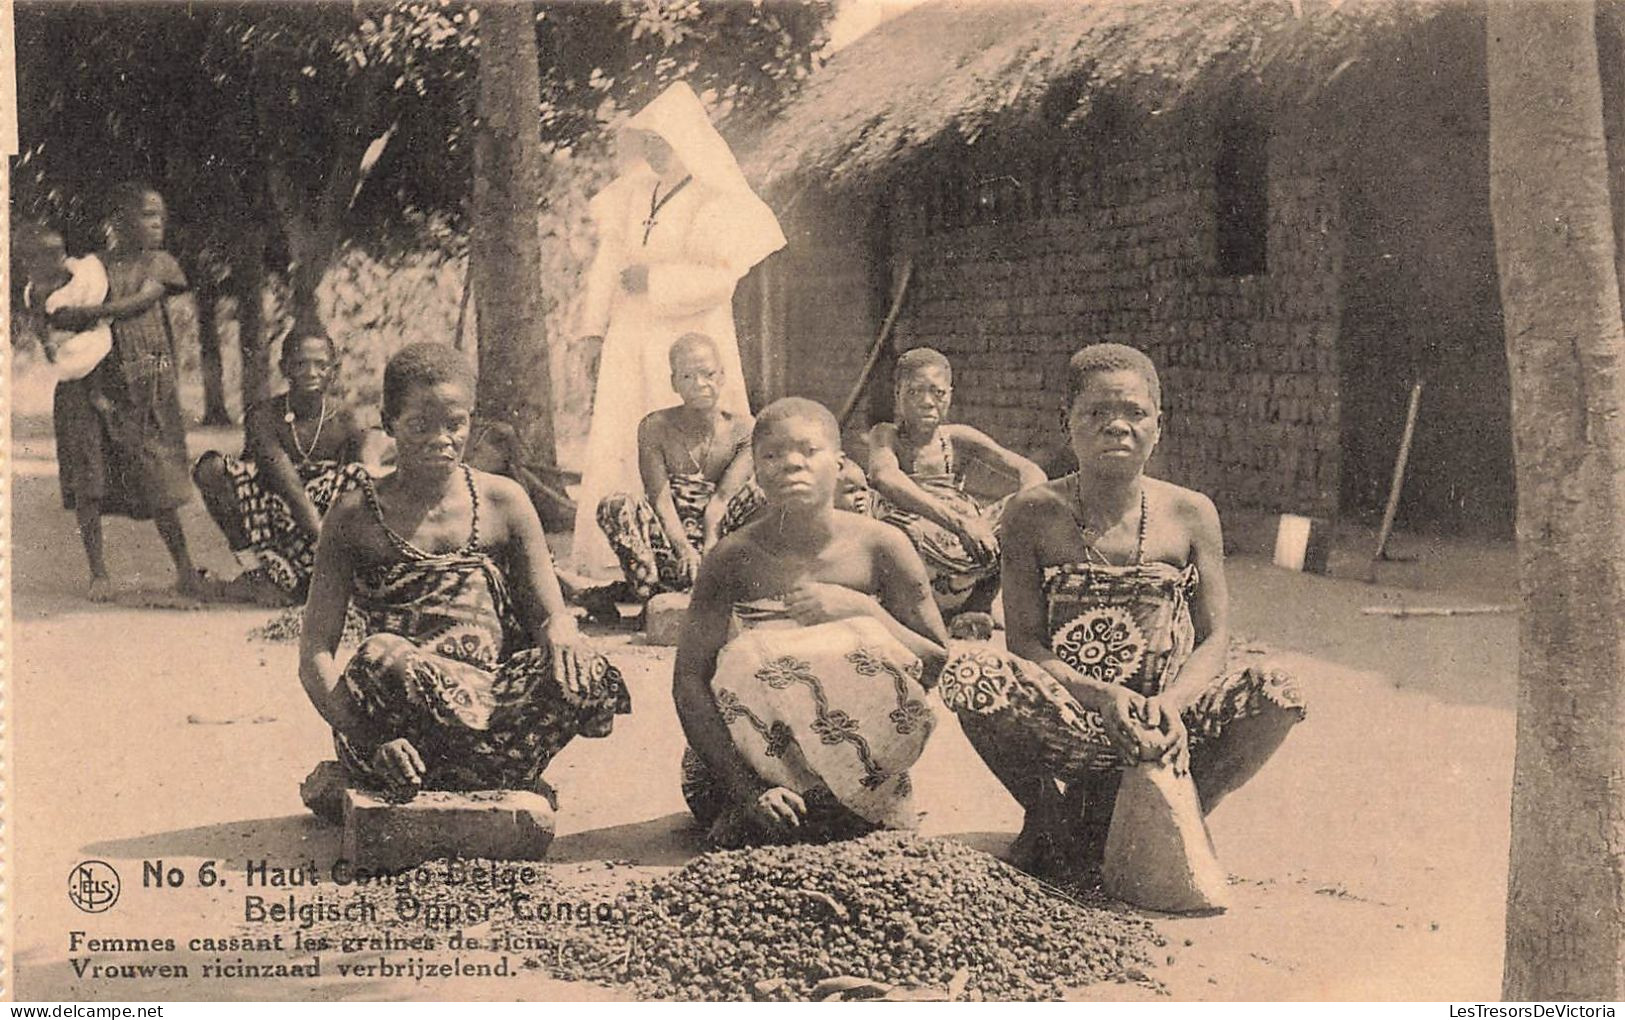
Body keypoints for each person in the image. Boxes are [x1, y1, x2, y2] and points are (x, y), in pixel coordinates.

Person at [936, 344, 1306, 879]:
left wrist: (1174, 706)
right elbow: (1025, 645)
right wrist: (1104, 697)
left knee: (1279, 690)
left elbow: (1215, 636)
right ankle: (1049, 820)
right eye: (1096, 414)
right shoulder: (1030, 514)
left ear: (1160, 424)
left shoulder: (1192, 512)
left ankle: (1181, 807)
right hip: (1074, 722)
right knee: (970, 669)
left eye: (1134, 413)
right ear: (1067, 423)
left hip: (1169, 727)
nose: (1117, 427)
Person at [299, 343, 630, 801]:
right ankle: (438, 772)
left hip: (491, 709)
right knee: (380, 657)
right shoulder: (354, 516)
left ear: (472, 419)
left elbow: (549, 615)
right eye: (419, 425)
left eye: (455, 424)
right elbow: (315, 650)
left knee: (587, 668)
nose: (441, 439)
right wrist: (370, 740)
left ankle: (482, 771)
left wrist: (562, 632)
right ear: (388, 421)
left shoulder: (504, 501)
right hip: (397, 725)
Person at [673, 398, 949, 848]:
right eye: (772, 455)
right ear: (756, 473)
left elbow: (936, 662)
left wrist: (862, 610)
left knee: (869, 645)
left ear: (839, 465)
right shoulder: (733, 558)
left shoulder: (882, 546)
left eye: (808, 450)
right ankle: (775, 810)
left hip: (861, 777)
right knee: (748, 654)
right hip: (739, 770)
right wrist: (748, 792)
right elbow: (688, 682)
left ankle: (846, 805)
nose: (791, 464)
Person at [571, 81, 786, 579]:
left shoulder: (714, 199)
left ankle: (713, 548)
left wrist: (657, 279)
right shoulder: (632, 194)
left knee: (700, 429)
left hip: (687, 327)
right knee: (628, 427)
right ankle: (619, 556)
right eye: (648, 142)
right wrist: (591, 330)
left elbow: (722, 278)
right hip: (631, 330)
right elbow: (607, 264)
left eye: (664, 141)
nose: (655, 151)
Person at [23, 188, 202, 604]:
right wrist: (49, 321)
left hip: (142, 384)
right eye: (146, 215)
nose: (157, 224)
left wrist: (83, 315)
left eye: (160, 217)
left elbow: (138, 303)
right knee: (89, 476)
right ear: (119, 221)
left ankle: (186, 568)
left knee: (157, 474)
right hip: (88, 382)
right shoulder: (90, 268)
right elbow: (43, 296)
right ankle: (99, 572)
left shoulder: (160, 264)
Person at [193, 331, 384, 605]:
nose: (311, 372)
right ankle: (257, 575)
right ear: (284, 368)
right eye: (300, 364)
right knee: (210, 468)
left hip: (325, 526)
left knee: (361, 477)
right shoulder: (263, 416)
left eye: (321, 365)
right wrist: (324, 544)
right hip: (273, 522)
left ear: (334, 370)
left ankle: (337, 579)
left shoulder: (348, 419)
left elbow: (358, 487)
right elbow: (287, 485)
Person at [585, 332, 759, 617]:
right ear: (674, 383)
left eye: (708, 374)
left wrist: (709, 551)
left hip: (719, 538)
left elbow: (722, 500)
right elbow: (660, 499)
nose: (700, 384)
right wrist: (684, 550)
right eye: (688, 377)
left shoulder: (744, 430)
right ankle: (652, 595)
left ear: (723, 376)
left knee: (763, 496)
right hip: (667, 540)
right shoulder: (655, 427)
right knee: (615, 505)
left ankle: (728, 590)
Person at [866, 347, 1047, 619]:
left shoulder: (958, 438)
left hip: (961, 532)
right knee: (899, 531)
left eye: (937, 393)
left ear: (949, 395)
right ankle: (913, 613)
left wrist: (999, 519)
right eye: (915, 391)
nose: (927, 402)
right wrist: (962, 525)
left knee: (1023, 511)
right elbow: (885, 477)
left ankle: (977, 606)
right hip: (919, 524)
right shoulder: (886, 435)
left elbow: (1030, 471)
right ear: (898, 395)